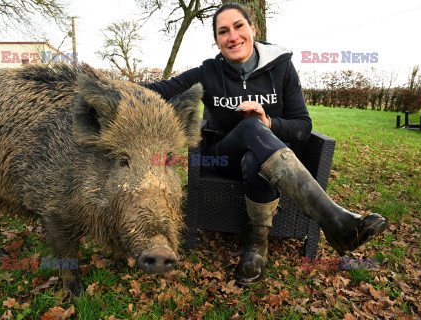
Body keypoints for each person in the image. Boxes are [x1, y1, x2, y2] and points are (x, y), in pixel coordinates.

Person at [143, 2, 388, 286]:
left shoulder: (281, 67)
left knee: (254, 157)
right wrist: (103, 86)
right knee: (248, 127)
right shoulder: (208, 72)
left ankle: (257, 245)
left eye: (238, 27)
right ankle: (334, 219)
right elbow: (159, 91)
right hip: (224, 158)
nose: (232, 36)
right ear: (217, 40)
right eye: (223, 32)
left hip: (268, 159)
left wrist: (269, 122)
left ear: (253, 29)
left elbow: (303, 126)